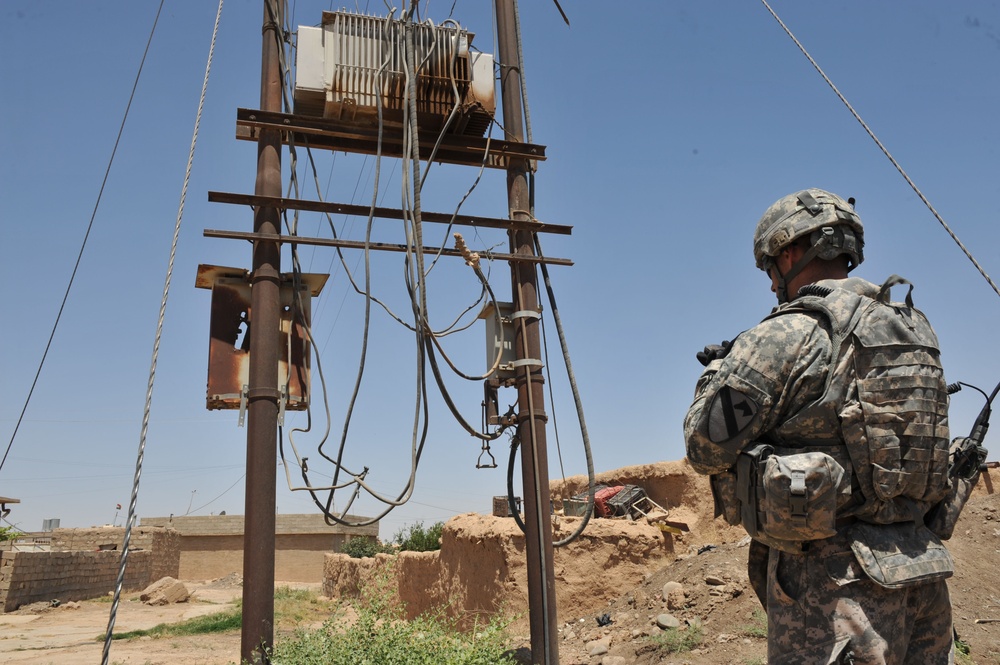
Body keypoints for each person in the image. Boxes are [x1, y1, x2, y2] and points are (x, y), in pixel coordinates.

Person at [683, 188, 956, 664]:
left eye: (771, 266)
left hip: (835, 586)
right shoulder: (912, 331)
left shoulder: (788, 332)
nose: (772, 283)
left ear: (789, 251)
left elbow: (705, 447)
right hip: (924, 573)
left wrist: (714, 373)